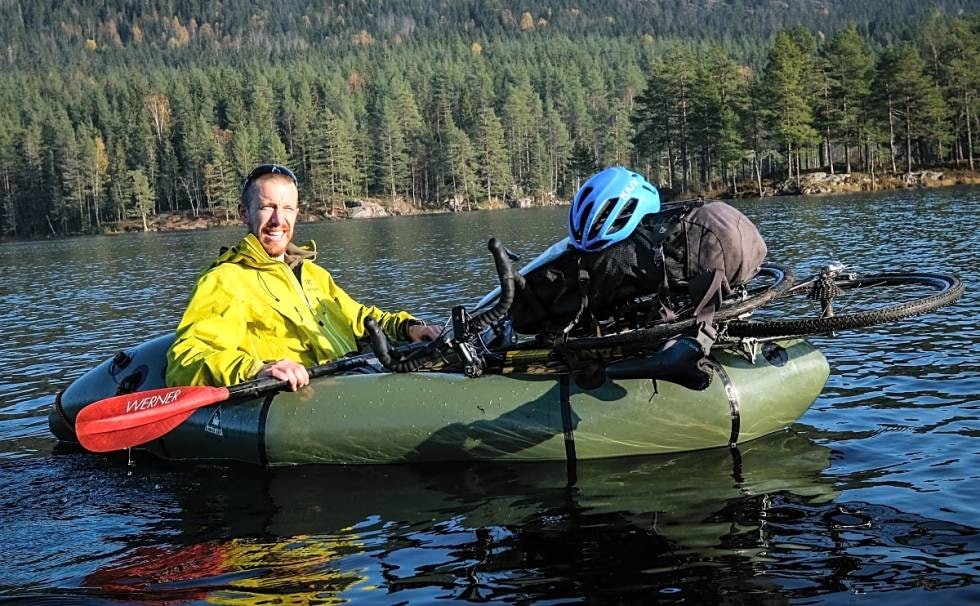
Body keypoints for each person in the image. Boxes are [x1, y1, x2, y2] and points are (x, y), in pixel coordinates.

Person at [166, 164, 442, 391]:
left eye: (287, 208)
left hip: (355, 378)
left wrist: (410, 326)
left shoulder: (312, 274)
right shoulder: (226, 280)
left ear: (297, 214)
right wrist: (258, 369)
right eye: (267, 207)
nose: (278, 219)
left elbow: (360, 318)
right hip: (303, 398)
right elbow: (187, 359)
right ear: (244, 213)